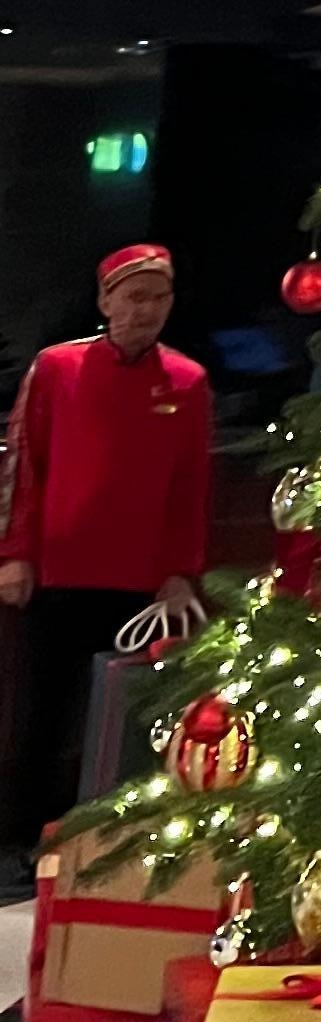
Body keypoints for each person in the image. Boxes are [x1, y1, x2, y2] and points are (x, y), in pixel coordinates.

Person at [0, 241, 209, 865]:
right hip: (59, 574)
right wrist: (15, 554)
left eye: (159, 298)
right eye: (134, 297)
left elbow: (191, 487)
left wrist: (180, 573)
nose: (146, 310)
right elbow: (24, 466)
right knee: (44, 712)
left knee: (122, 720)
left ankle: (112, 849)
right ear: (105, 300)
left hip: (139, 583)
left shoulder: (188, 382)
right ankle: (20, 846)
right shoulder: (57, 369)